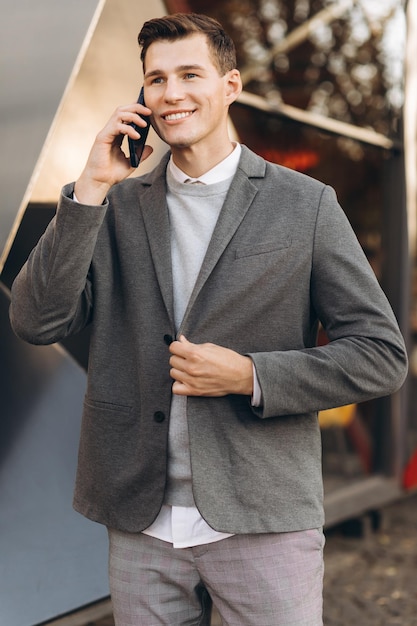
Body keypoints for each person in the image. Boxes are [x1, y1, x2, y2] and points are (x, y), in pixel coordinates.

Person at [10, 12, 407, 626]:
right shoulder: (112, 205)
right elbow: (36, 320)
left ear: (231, 85)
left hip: (262, 517)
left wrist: (251, 375)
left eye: (189, 74)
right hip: (141, 524)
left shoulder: (305, 205)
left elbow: (381, 355)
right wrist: (89, 186)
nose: (171, 94)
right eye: (156, 79)